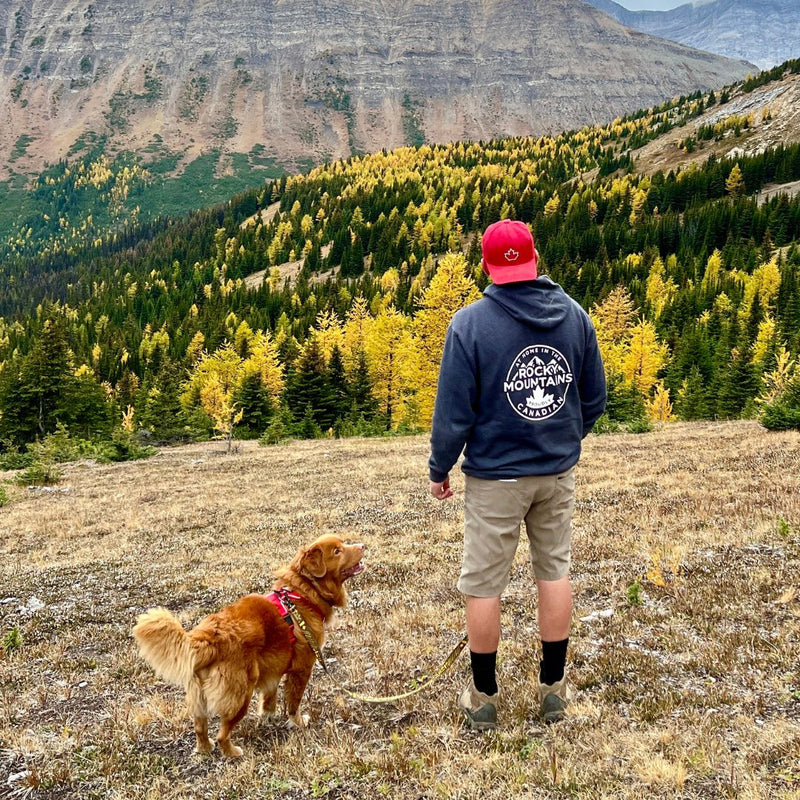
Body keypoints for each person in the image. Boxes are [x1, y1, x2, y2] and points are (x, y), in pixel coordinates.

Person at [428, 219, 606, 730]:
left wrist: (440, 467)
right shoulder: (575, 316)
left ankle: (483, 699)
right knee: (554, 572)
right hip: (556, 473)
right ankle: (554, 689)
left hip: (495, 480)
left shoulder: (469, 325)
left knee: (484, 584)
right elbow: (593, 398)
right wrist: (563, 439)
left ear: (486, 265)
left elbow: (453, 412)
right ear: (533, 258)